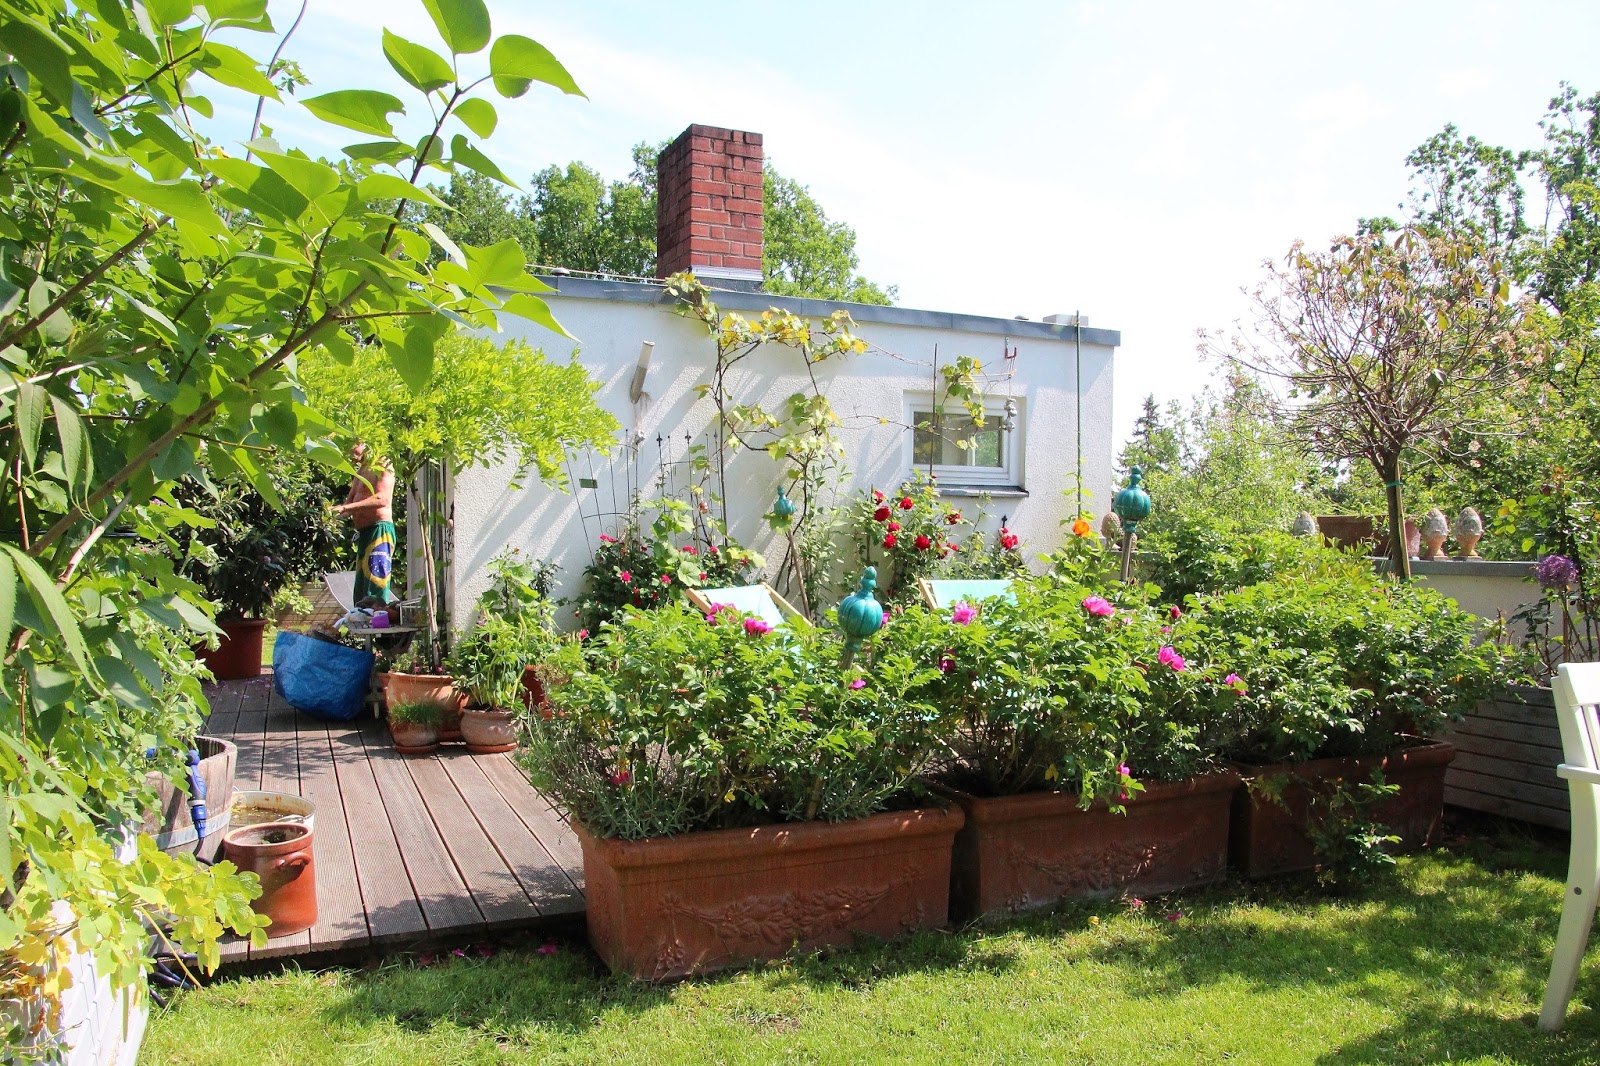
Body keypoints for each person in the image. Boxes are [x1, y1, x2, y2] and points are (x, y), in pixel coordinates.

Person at [334, 442, 396, 605]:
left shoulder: (383, 464)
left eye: (353, 447)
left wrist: (345, 508)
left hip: (379, 530)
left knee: (375, 585)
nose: (350, 455)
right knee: (362, 592)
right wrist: (330, 515)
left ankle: (377, 619)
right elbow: (348, 505)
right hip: (364, 534)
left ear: (364, 443)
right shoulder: (360, 471)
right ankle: (363, 619)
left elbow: (382, 499)